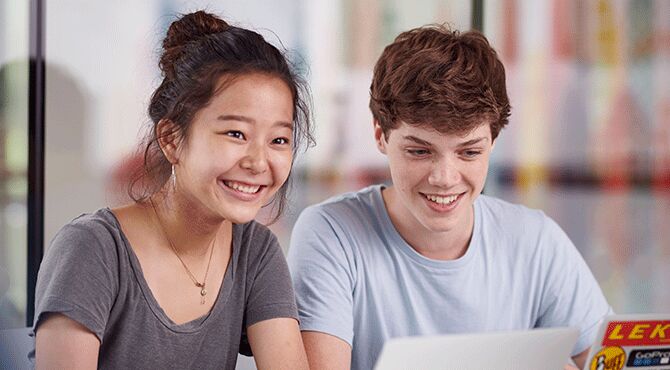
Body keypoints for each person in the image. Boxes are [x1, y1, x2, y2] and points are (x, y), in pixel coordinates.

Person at [287, 25, 611, 370]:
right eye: (420, 151)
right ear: (381, 135)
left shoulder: (536, 240)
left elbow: (612, 362)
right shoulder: (332, 234)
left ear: (493, 143)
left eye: (469, 153)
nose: (444, 179)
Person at [32, 11, 311, 370]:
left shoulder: (255, 251)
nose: (259, 162)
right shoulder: (93, 249)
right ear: (171, 139)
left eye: (279, 140)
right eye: (236, 133)